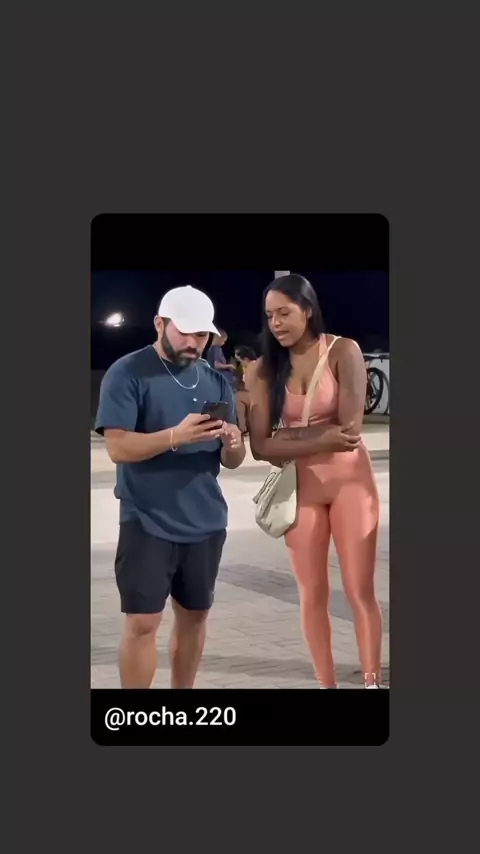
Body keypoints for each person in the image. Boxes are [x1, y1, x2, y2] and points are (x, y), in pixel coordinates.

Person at [94, 285, 245, 689]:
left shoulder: (216, 381)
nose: (195, 342)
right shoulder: (127, 372)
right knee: (143, 622)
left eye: (202, 334)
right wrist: (176, 436)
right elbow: (118, 447)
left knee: (195, 616)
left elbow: (232, 460)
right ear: (160, 324)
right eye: (186, 332)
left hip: (206, 520)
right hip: (146, 518)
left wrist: (233, 444)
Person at [246, 274, 383, 689]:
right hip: (300, 489)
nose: (275, 323)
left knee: (359, 590)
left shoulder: (343, 350)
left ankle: (372, 681)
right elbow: (259, 447)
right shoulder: (263, 369)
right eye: (269, 315)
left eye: (284, 313)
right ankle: (327, 685)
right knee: (312, 594)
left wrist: (286, 437)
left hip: (350, 485)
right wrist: (320, 436)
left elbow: (349, 432)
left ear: (307, 309)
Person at [233, 345, 257, 434]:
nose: (241, 364)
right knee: (239, 396)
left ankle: (242, 426)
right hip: (256, 396)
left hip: (259, 397)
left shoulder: (252, 366)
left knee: (237, 397)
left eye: (240, 361)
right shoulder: (253, 365)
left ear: (245, 359)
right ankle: (246, 425)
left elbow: (249, 386)